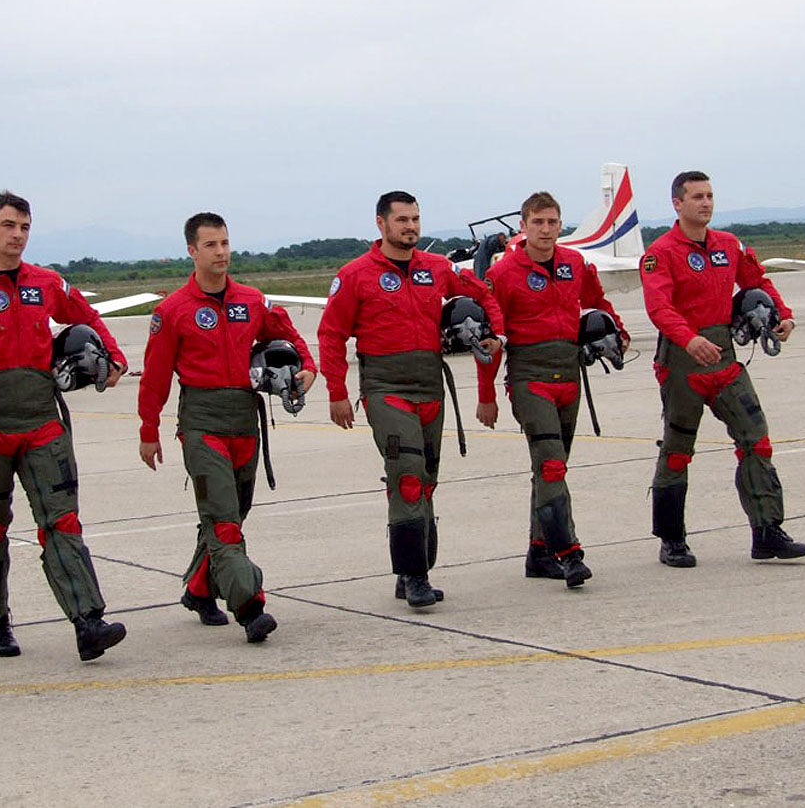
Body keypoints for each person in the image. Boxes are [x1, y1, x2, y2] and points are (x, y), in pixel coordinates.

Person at [0, 190, 128, 662]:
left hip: (41, 421)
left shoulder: (46, 282)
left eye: (24, 227)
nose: (17, 235)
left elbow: (86, 316)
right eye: (8, 226)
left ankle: (88, 622)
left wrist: (114, 355)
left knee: (62, 520)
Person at [318, 191, 503, 608]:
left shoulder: (436, 268)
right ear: (381, 224)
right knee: (406, 475)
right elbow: (331, 334)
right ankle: (416, 575)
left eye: (415, 219)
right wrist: (337, 393)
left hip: (430, 384)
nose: (411, 227)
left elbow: (485, 293)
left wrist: (496, 333)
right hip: (386, 387)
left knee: (427, 479)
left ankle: (410, 570)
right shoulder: (355, 275)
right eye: (402, 220)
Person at [138, 212, 316, 643]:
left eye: (225, 243)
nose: (221, 252)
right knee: (223, 522)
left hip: (245, 419)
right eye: (211, 245)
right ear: (192, 251)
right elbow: (155, 377)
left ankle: (200, 589)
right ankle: (250, 606)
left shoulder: (252, 301)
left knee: (232, 515)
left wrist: (308, 367)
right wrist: (148, 430)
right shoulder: (172, 310)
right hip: (202, 423)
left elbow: (288, 336)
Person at [640, 171, 805, 566]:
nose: (706, 203)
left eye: (710, 196)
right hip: (682, 362)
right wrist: (689, 339)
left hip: (725, 359)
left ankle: (767, 531)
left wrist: (783, 315)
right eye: (697, 197)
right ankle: (671, 539)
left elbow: (756, 281)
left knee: (756, 439)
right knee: (678, 450)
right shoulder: (660, 253)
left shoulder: (729, 245)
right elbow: (659, 307)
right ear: (677, 204)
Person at [476, 192, 629, 587]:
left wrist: (619, 332)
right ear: (523, 226)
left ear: (561, 225)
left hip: (569, 374)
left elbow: (597, 302)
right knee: (551, 466)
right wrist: (486, 395)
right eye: (537, 222)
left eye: (552, 222)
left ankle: (539, 552)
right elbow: (491, 339)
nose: (545, 230)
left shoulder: (576, 264)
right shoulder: (502, 274)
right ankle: (569, 553)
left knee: (551, 469)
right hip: (529, 377)